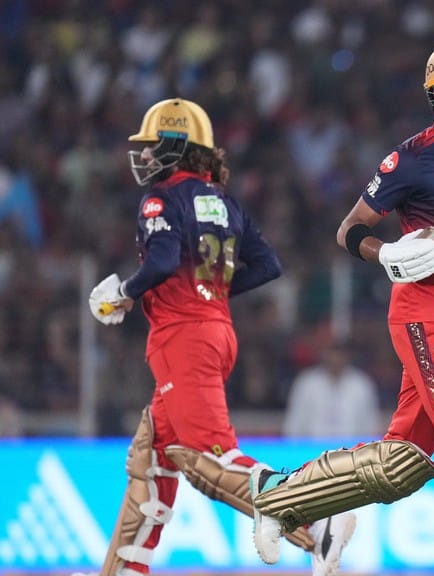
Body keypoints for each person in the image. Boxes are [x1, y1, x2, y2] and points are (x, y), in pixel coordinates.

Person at [248, 40, 434, 576]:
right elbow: (350, 230)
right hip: (423, 314)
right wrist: (385, 252)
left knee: (402, 466)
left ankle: (277, 494)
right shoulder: (410, 159)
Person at [85, 98, 354, 576]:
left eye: (151, 146)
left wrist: (124, 294)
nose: (143, 156)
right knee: (153, 458)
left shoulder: (160, 199)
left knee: (209, 462)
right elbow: (268, 265)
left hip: (182, 339)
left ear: (176, 146)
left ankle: (316, 520)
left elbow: (162, 262)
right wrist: (210, 293)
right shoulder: (226, 203)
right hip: (216, 331)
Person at [282, 339, 382, 438]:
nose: (335, 358)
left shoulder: (361, 384)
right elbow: (294, 422)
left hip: (351, 445)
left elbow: (370, 425)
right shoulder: (307, 382)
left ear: (347, 355)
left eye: (339, 354)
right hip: (313, 445)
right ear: (323, 354)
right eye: (331, 353)